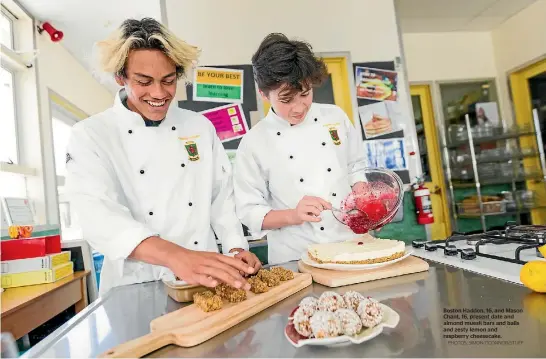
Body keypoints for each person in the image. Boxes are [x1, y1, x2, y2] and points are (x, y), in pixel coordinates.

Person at [65, 18, 260, 295]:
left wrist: (235, 247)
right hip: (135, 285)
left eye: (168, 81)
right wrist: (176, 256)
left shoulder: (199, 127)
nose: (158, 93)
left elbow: (221, 198)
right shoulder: (91, 134)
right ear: (121, 78)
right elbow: (99, 217)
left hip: (204, 280)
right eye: (144, 82)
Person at [233, 33, 367, 265]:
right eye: (286, 100)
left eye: (305, 94)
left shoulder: (335, 117)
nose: (298, 107)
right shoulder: (254, 142)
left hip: (353, 245)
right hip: (297, 258)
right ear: (264, 94)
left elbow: (356, 165)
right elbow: (250, 213)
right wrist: (293, 215)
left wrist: (362, 190)